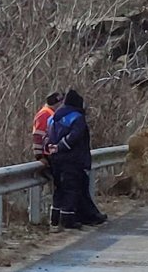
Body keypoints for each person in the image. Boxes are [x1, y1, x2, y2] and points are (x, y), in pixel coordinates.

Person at [46, 89, 107, 231]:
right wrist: (62, 146)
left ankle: (55, 219)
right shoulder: (76, 118)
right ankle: (68, 219)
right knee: (71, 189)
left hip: (55, 159)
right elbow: (75, 137)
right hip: (72, 160)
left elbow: (47, 136)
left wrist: (51, 148)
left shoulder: (53, 117)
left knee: (59, 189)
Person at [32, 92, 64, 162]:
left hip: (52, 153)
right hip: (47, 155)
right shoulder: (44, 114)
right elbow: (38, 136)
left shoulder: (52, 113)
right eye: (61, 102)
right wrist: (39, 156)